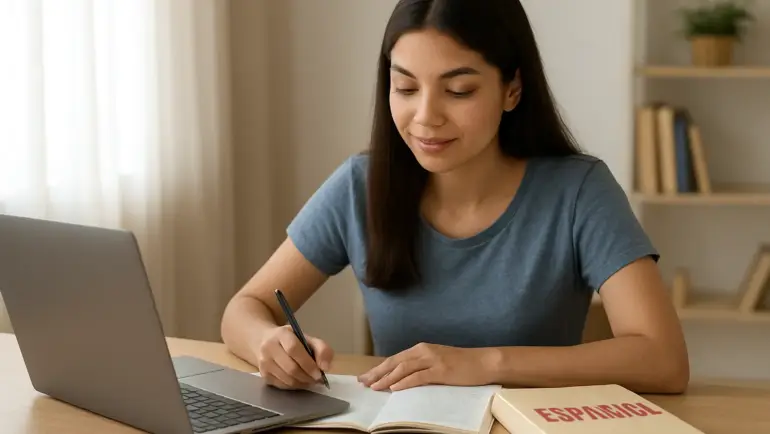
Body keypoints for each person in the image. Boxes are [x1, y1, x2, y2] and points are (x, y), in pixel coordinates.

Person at [220, 0, 690, 395]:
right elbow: (246, 308)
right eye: (405, 87)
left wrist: (486, 365)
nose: (425, 117)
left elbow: (663, 358)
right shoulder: (360, 185)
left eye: (458, 90)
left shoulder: (578, 191)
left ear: (512, 89)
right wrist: (269, 344)